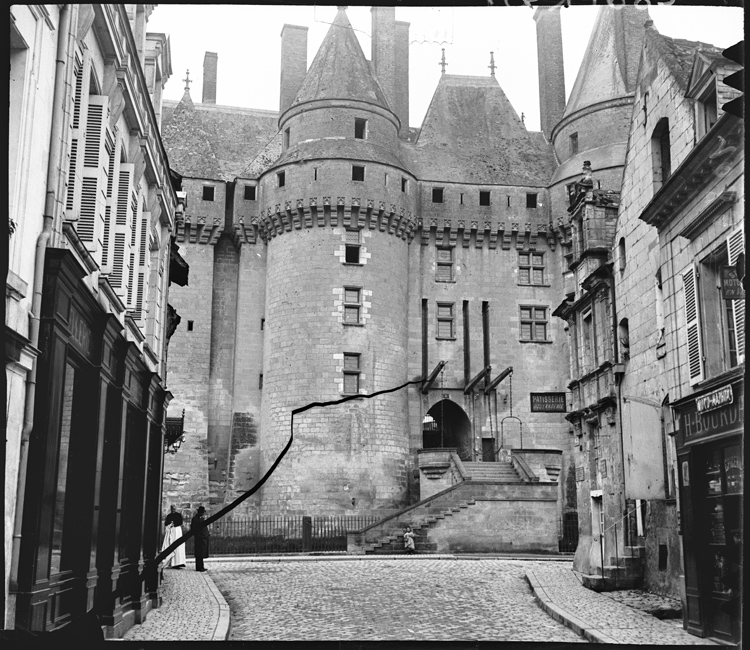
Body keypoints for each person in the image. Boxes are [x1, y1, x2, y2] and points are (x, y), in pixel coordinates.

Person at [191, 506, 210, 572]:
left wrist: (206, 534)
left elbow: (204, 528)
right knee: (198, 553)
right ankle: (198, 567)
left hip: (203, 538)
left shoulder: (202, 518)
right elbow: (193, 529)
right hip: (198, 539)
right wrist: (199, 536)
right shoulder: (195, 519)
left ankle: (201, 566)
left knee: (202, 553)